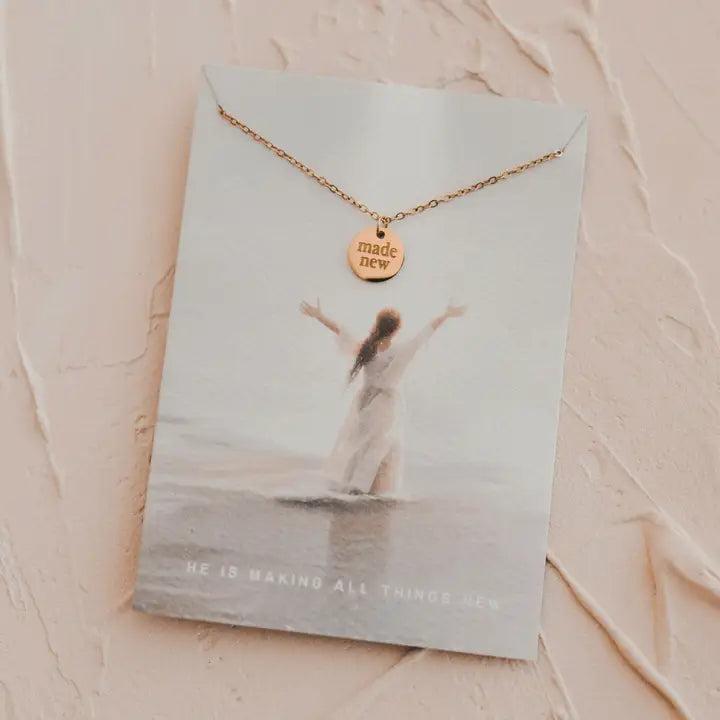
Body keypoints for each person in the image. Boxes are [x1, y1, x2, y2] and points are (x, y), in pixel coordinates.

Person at [299, 299, 466, 495]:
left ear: (378, 325)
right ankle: (359, 486)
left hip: (364, 400)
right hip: (384, 403)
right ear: (396, 330)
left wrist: (319, 316)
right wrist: (446, 315)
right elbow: (423, 336)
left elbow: (341, 332)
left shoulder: (367, 347)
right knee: (376, 444)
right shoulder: (396, 350)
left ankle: (351, 483)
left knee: (360, 441)